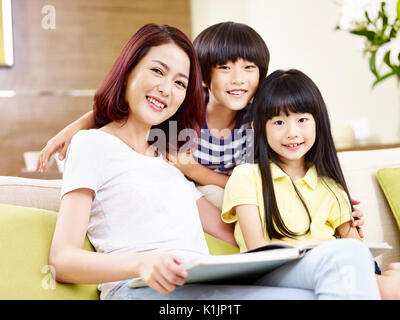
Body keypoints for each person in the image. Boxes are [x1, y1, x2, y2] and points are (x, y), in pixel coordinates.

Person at [50, 24, 381, 300]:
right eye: (156, 71)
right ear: (127, 72)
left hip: (204, 282)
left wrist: (332, 213)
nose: (167, 88)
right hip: (143, 289)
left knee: (348, 257)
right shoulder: (92, 144)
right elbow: (62, 260)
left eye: (179, 82)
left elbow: (236, 228)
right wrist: (142, 264)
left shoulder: (170, 158)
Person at [35, 21, 365, 236]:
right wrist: (71, 131)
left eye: (249, 68)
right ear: (204, 78)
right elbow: (120, 110)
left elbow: (280, 173)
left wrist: (334, 205)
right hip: (204, 200)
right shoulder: (182, 115)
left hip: (239, 193)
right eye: (225, 68)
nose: (238, 80)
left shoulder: (259, 121)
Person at [221, 69, 400, 299]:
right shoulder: (246, 176)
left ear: (318, 122)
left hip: (336, 267)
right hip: (275, 271)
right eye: (278, 122)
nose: (292, 133)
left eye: (302, 119)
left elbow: (356, 249)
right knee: (388, 287)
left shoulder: (330, 185)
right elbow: (257, 249)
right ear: (258, 127)